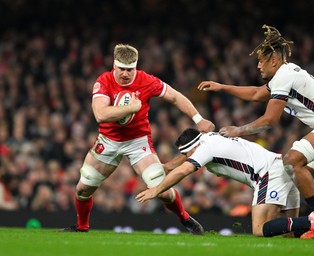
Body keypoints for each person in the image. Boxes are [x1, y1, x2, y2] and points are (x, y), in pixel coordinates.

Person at [197, 25, 314, 239]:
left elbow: (270, 120)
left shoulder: (283, 75)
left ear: (274, 60)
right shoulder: (285, 74)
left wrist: (238, 130)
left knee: (291, 161)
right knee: (312, 174)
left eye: (261, 61)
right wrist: (222, 87)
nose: (258, 66)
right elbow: (255, 93)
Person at [59, 44, 215, 234]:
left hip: (138, 142)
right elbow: (100, 114)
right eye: (122, 69)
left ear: (136, 67)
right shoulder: (104, 81)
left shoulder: (146, 80)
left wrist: (198, 119)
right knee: (83, 188)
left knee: (163, 190)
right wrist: (131, 108)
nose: (125, 74)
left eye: (130, 69)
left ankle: (185, 218)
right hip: (108, 141)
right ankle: (82, 227)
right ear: (114, 66)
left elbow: (175, 97)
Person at [137, 128, 314, 238]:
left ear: (193, 147)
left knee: (259, 229)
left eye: (187, 153)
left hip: (267, 174)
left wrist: (157, 189)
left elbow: (184, 169)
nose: (187, 157)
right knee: (288, 236)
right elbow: (182, 161)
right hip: (280, 167)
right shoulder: (207, 140)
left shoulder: (205, 149)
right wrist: (165, 167)